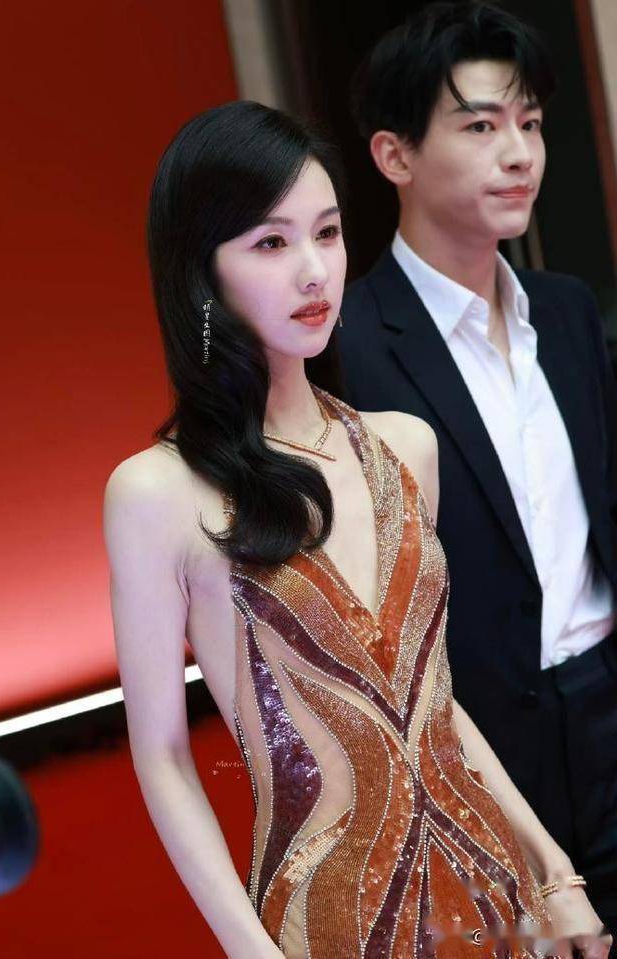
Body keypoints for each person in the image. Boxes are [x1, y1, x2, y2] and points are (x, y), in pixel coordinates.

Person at [103, 100, 611, 959]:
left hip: (496, 896)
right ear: (202, 271)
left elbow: (433, 705)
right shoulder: (155, 492)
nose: (314, 271)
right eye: (271, 242)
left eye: (328, 233)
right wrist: (254, 951)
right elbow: (162, 756)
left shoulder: (405, 446)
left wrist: (555, 871)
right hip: (329, 921)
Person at [339, 0, 617, 946]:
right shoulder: (349, 349)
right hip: (475, 746)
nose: (520, 153)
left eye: (529, 124)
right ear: (395, 155)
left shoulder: (567, 312)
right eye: (481, 126)